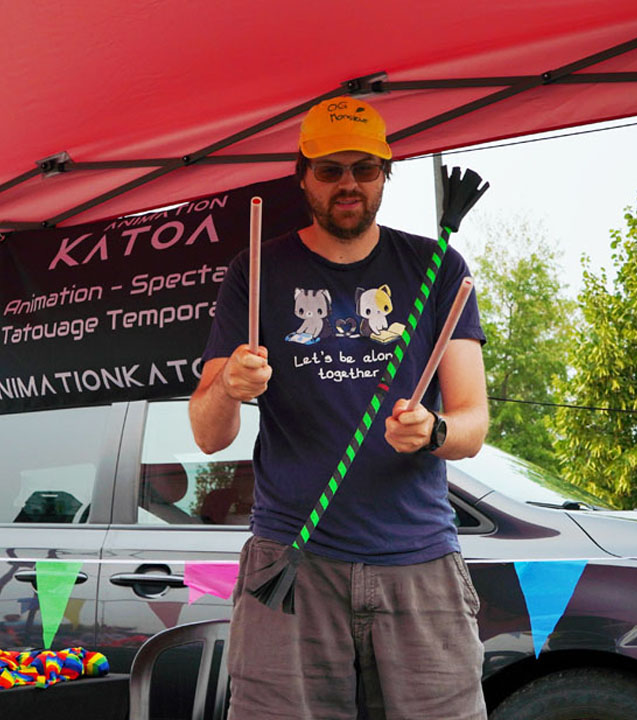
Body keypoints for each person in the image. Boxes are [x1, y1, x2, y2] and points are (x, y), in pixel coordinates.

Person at [189, 96, 489, 720]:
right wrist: (228, 388)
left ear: (385, 173)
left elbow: (473, 423)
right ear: (303, 176)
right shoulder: (257, 269)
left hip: (420, 563)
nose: (347, 183)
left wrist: (433, 432)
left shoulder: (438, 268)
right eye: (330, 170)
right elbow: (208, 435)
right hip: (292, 561)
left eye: (364, 168)